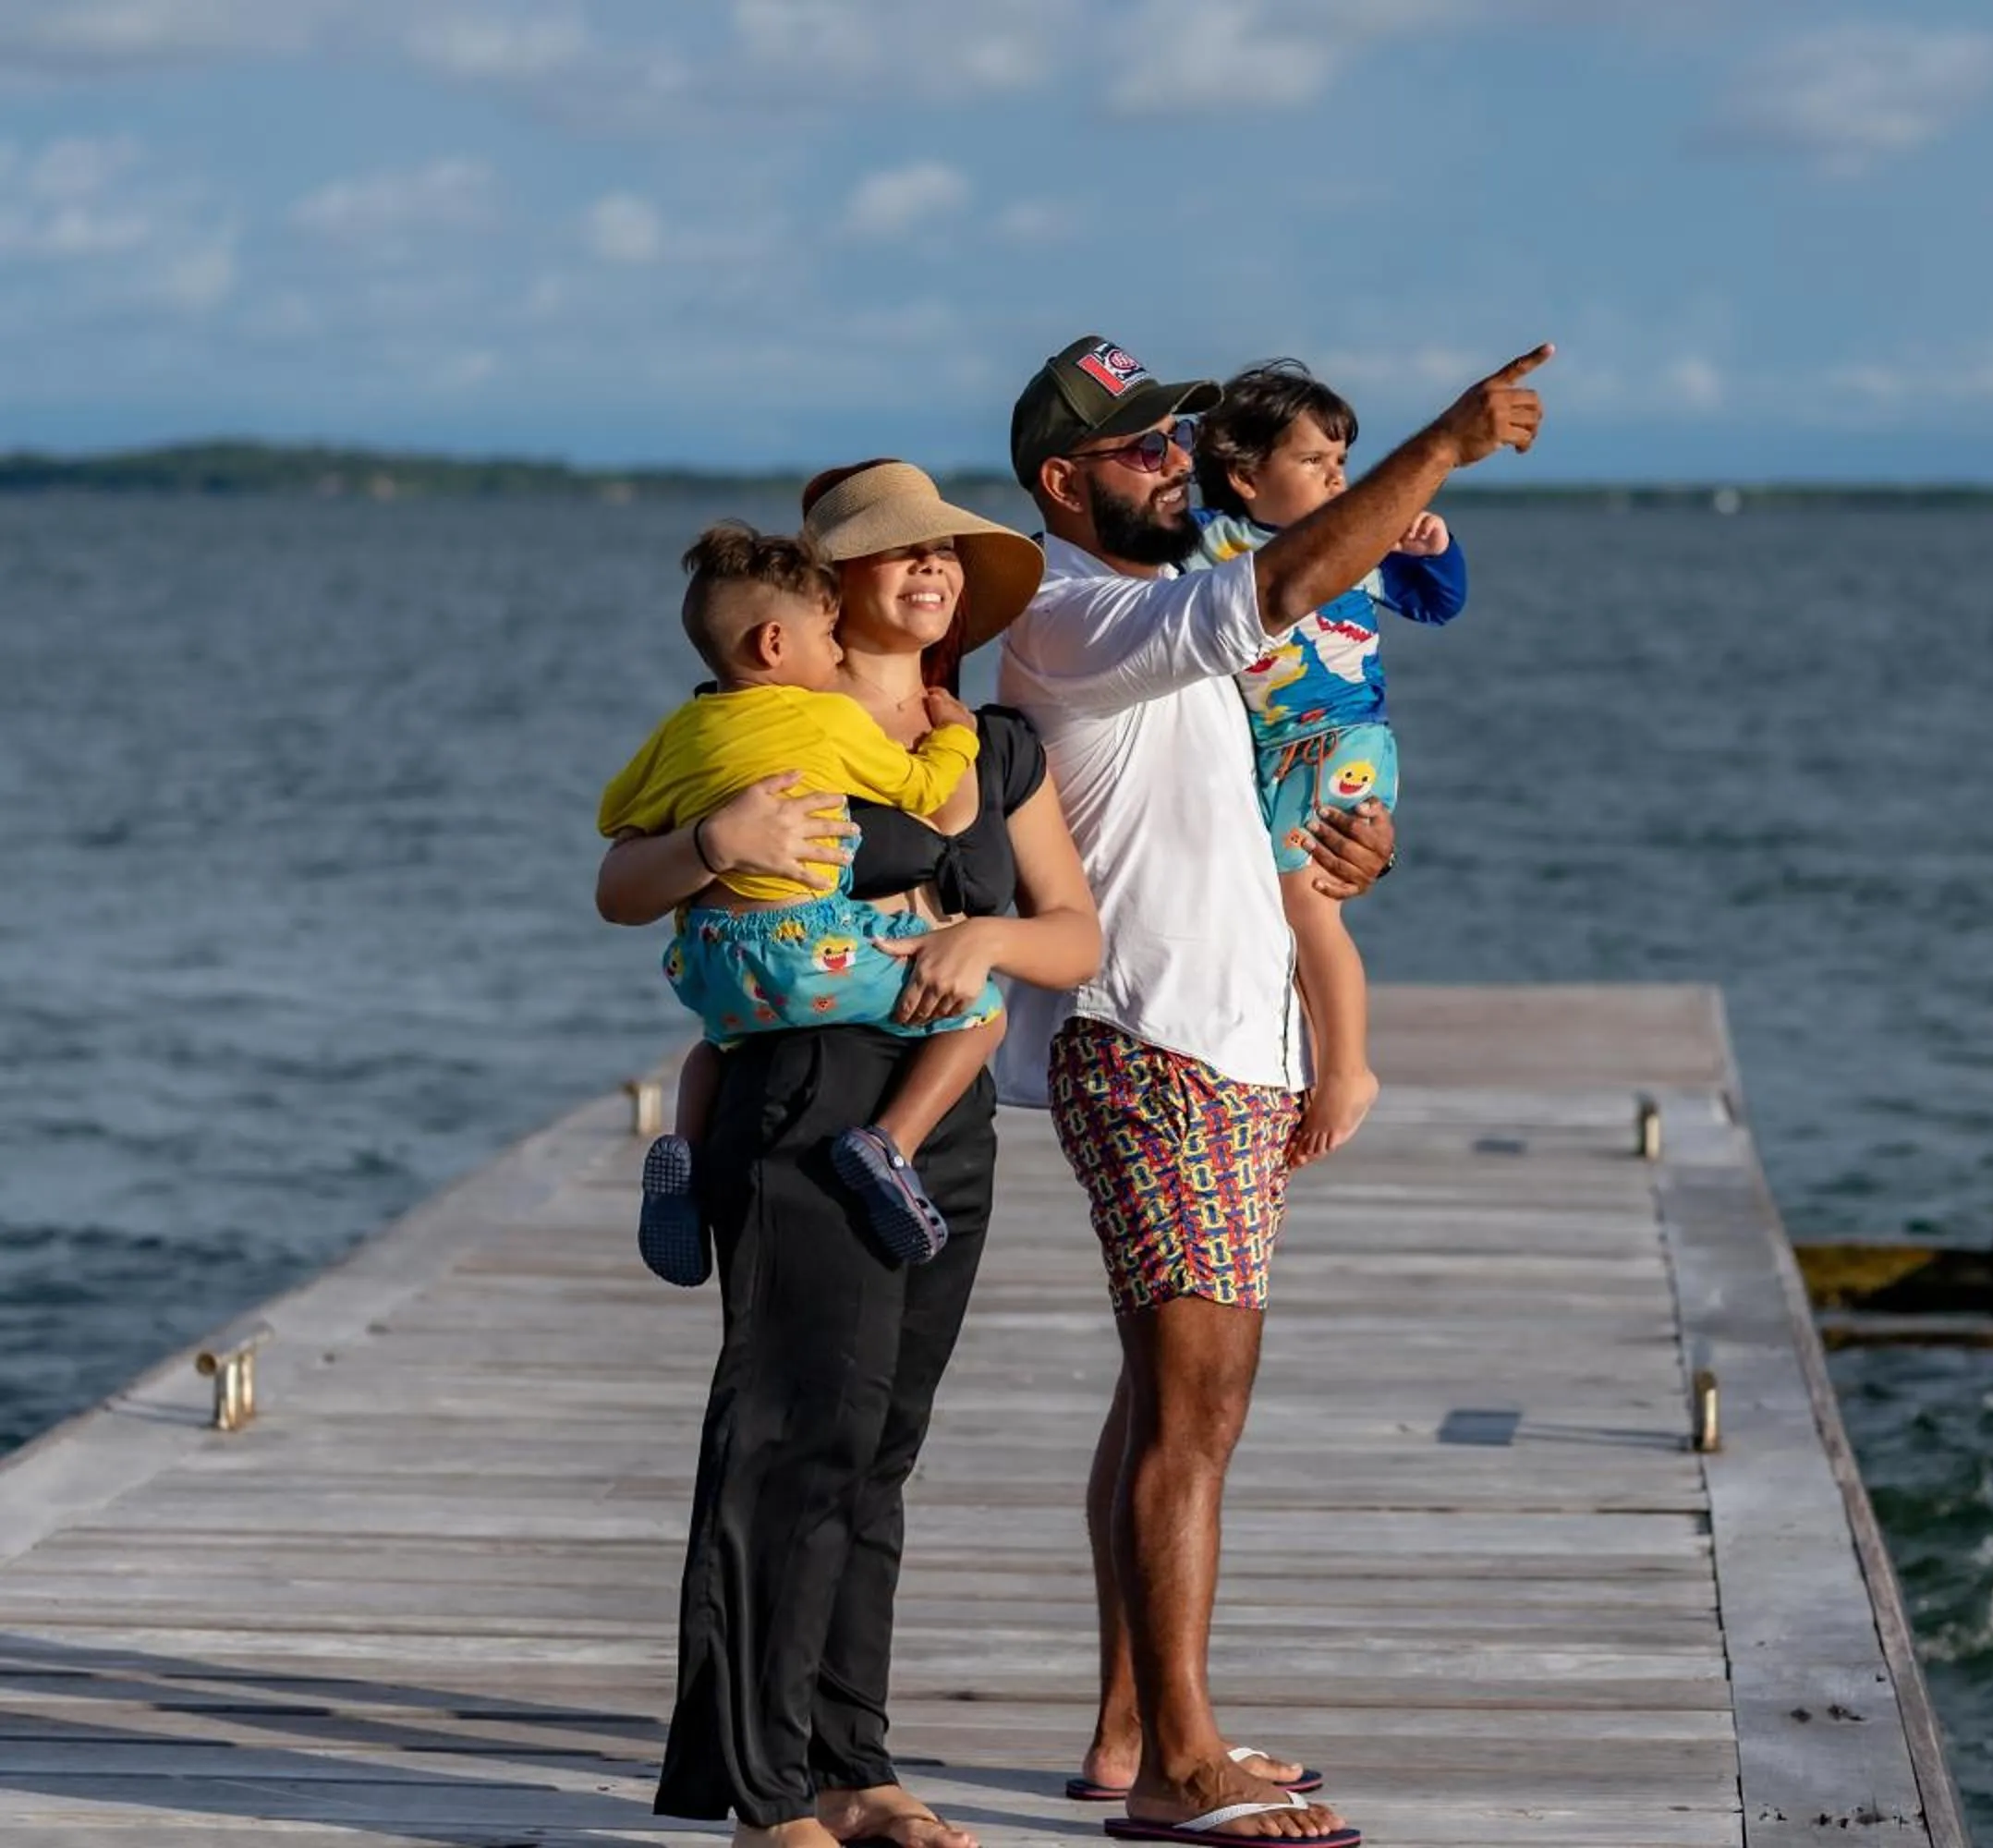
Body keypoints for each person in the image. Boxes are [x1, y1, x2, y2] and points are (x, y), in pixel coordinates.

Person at [995, 333, 1548, 1848]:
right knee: (1199, 1407)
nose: (1175, 462)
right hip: (1159, 1043)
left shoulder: (1146, 616)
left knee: (1167, 1402)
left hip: (1221, 1043)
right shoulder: (1071, 609)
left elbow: (1235, 790)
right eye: (1142, 449)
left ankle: (1133, 1733)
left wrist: (1343, 855)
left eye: (1181, 439)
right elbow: (1283, 586)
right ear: (1063, 485)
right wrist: (1440, 447)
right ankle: (1182, 1763)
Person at [596, 459, 1100, 1848]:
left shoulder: (991, 746)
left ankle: (852, 1767)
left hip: (946, 1120)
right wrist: (716, 839)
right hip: (804, 1095)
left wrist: (988, 937)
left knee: (879, 1448)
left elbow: (1076, 933)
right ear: (829, 593)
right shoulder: (752, 727)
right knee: (789, 1443)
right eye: (900, 557)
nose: (933, 572)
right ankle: (766, 1800)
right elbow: (621, 886)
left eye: (949, 557)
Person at [599, 519, 1013, 1284]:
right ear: (774, 646)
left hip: (712, 956)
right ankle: (891, 1143)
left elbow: (616, 815)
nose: (837, 649)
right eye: (827, 635)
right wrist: (955, 737)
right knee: (982, 1009)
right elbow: (924, 792)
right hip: (807, 944)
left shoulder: (678, 730)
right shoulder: (826, 717)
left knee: (714, 1046)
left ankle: (684, 1159)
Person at [1184, 359, 1469, 1163]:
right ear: (1244, 476)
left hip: (1344, 739)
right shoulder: (1213, 543)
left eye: (1342, 464)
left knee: (1309, 904)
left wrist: (1434, 544)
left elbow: (1438, 603)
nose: (1338, 480)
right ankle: (1314, 1058)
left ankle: (1348, 1069)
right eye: (1315, 463)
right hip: (1276, 749)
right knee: (1280, 905)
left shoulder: (1355, 546)